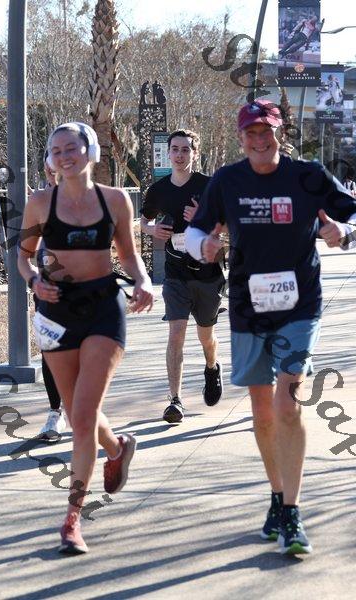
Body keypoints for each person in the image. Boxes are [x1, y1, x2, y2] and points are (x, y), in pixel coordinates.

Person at [186, 98, 356, 555]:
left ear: (279, 133)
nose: (259, 140)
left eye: (266, 131)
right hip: (248, 308)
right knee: (262, 413)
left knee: (287, 404)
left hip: (299, 306)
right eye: (250, 132)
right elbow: (194, 232)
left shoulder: (307, 175)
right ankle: (276, 495)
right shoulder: (227, 180)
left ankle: (292, 510)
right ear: (240, 138)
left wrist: (344, 233)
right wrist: (202, 245)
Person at [18, 122, 153, 554]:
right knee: (80, 415)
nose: (64, 156)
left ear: (90, 151)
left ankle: (72, 519)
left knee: (82, 414)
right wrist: (34, 281)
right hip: (57, 309)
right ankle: (117, 448)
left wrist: (143, 280)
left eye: (71, 148)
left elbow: (129, 254)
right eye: (56, 150)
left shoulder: (115, 200)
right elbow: (23, 256)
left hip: (102, 309)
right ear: (50, 159)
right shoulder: (40, 203)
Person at [140, 129, 225, 423]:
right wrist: (152, 229)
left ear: (194, 153)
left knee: (206, 336)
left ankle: (212, 367)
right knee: (176, 334)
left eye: (185, 149)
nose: (179, 155)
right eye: (175, 149)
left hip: (207, 273)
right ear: (168, 153)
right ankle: (174, 400)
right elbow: (143, 221)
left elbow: (228, 225)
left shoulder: (209, 186)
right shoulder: (158, 190)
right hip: (175, 273)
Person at [35, 151, 66, 442]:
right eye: (50, 159)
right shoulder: (38, 201)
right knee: (50, 351)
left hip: (82, 290)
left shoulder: (89, 200)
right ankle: (55, 413)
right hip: (47, 288)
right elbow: (24, 251)